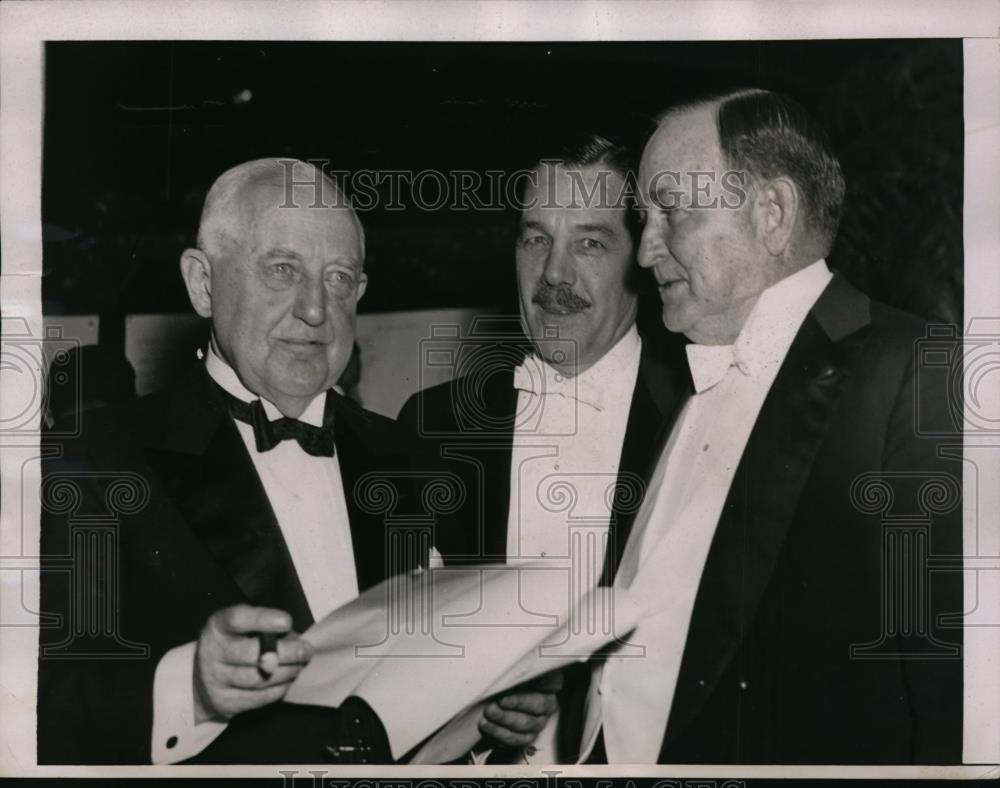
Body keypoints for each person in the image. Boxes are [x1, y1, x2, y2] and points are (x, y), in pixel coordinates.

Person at [37, 158, 553, 764]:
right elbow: (39, 703)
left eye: (339, 278)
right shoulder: (94, 457)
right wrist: (194, 691)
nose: (315, 309)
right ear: (202, 283)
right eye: (283, 270)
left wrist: (497, 712)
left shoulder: (414, 457)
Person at [577, 90, 963, 764]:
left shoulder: (916, 372)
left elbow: (955, 696)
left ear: (774, 215)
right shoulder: (677, 391)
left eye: (671, 211)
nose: (644, 252)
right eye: (645, 218)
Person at [398, 135, 687, 762]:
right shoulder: (433, 424)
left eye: (589, 242)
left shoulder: (696, 416)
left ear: (641, 257)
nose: (554, 275)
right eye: (536, 239)